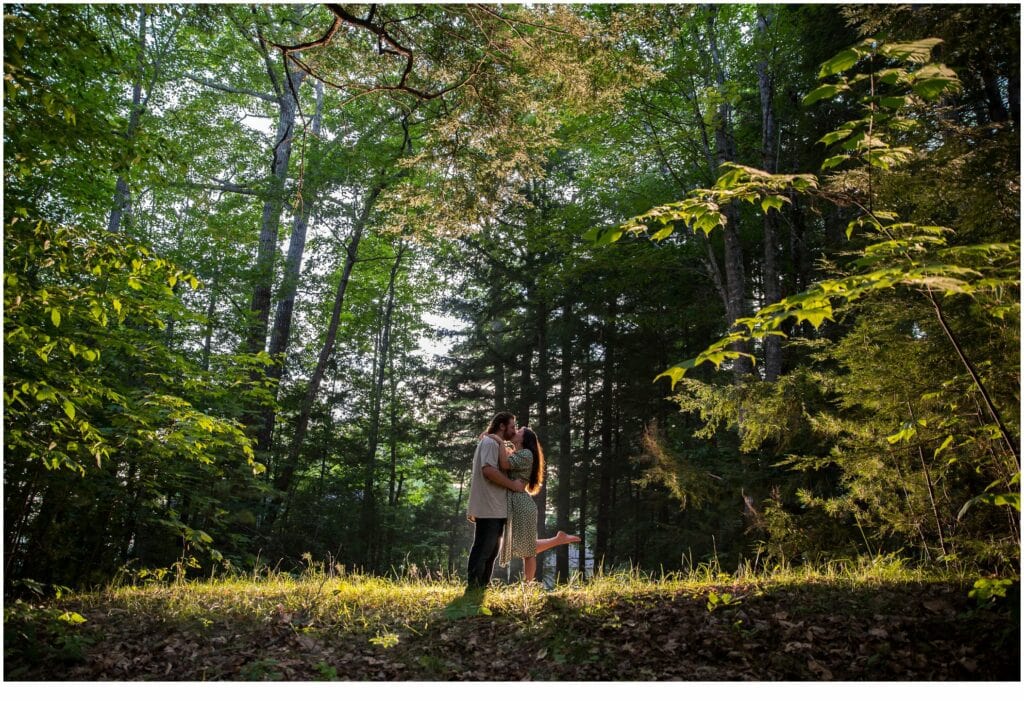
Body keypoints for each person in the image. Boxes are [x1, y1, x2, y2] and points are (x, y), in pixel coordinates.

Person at [486, 426, 581, 582]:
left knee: (528, 551)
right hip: (516, 504)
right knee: (525, 546)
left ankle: (528, 588)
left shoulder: (526, 454)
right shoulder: (517, 453)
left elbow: (503, 464)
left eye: (519, 432)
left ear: (524, 439)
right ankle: (558, 539)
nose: (515, 432)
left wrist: (498, 440)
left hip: (521, 505)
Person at [465, 412, 527, 589]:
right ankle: (474, 586)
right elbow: (488, 471)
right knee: (484, 547)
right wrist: (512, 485)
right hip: (489, 505)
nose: (514, 430)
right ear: (502, 426)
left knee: (492, 550)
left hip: (496, 506)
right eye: (512, 426)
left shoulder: (494, 443)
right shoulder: (490, 442)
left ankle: (483, 585)